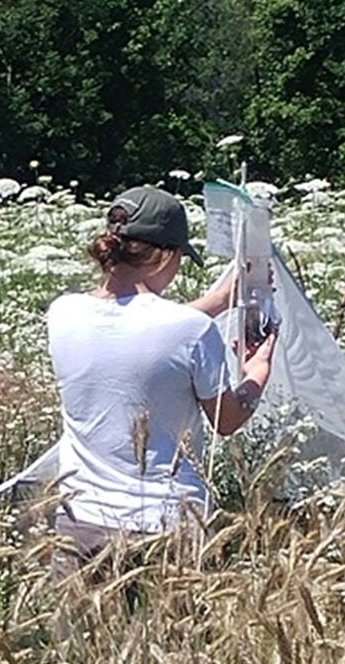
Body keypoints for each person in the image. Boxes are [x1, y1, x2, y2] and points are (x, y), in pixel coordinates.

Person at [47, 185, 277, 582]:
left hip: (79, 521)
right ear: (165, 256)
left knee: (81, 624)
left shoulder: (63, 312)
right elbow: (226, 420)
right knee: (167, 624)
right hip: (166, 526)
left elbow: (139, 329)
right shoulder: (191, 330)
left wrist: (218, 300)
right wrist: (258, 369)